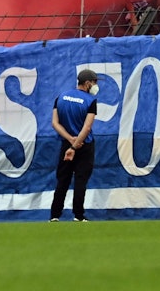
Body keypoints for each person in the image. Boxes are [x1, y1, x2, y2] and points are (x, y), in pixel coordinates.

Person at [49, 68, 98, 222]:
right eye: (95, 83)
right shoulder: (90, 101)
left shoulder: (61, 97)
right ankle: (78, 216)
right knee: (80, 180)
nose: (96, 86)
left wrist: (70, 140)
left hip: (66, 144)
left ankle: (55, 215)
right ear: (88, 83)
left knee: (62, 180)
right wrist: (76, 145)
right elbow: (87, 127)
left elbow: (55, 123)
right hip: (84, 146)